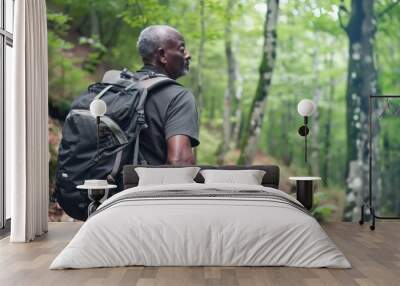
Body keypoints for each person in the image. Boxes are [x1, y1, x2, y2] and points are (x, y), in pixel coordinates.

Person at [135, 25, 199, 165]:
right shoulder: (178, 97)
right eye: (182, 49)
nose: (188, 55)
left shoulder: (116, 90)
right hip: (143, 186)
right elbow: (180, 162)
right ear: (162, 55)